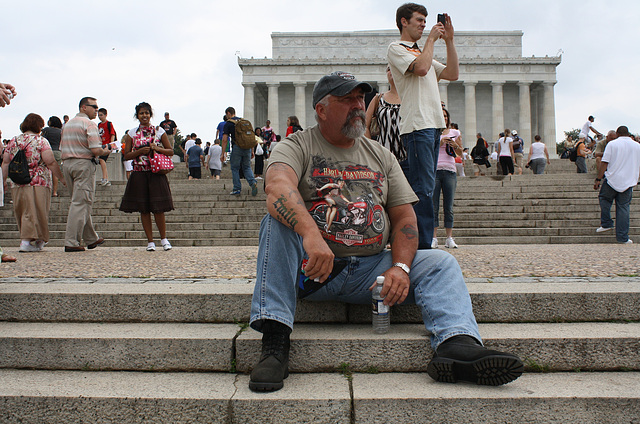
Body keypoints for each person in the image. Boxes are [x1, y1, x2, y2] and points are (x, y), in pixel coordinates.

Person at [247, 70, 523, 393]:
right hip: (313, 270)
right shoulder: (297, 145)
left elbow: (405, 218)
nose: (358, 106)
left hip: (371, 272)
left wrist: (402, 267)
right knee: (275, 224)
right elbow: (277, 188)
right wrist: (310, 233)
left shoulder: (380, 155)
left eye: (360, 98)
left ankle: (456, 345)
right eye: (347, 99)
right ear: (321, 110)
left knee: (442, 263)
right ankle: (275, 340)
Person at [387, 3, 459, 249]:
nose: (423, 24)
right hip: (417, 125)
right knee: (422, 189)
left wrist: (449, 41)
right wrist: (430, 41)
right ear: (403, 22)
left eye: (425, 21)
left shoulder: (423, 51)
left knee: (426, 187)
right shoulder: (397, 49)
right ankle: (421, 245)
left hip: (433, 125)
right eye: (418, 20)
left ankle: (422, 243)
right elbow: (421, 68)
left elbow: (452, 73)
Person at [2, 113, 65, 252]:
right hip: (39, 181)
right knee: (39, 211)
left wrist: (3, 181)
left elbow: (6, 162)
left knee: (23, 210)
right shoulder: (41, 141)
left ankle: (27, 239)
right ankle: (34, 240)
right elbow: (50, 161)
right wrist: (61, 178)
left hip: (18, 181)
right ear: (39, 126)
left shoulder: (13, 141)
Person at [119, 102, 174, 251]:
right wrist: (139, 152)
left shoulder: (159, 131)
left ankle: (164, 239)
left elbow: (170, 151)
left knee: (159, 208)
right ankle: (150, 241)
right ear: (137, 115)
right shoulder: (131, 133)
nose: (144, 116)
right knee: (144, 209)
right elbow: (127, 155)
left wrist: (157, 149)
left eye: (147, 113)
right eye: (141, 113)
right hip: (139, 173)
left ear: (151, 114)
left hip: (156, 172)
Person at [60, 97, 110, 252]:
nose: (96, 109)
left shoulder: (67, 125)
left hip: (67, 164)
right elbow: (96, 150)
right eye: (94, 106)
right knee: (81, 203)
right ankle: (71, 242)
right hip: (83, 164)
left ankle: (91, 238)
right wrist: (106, 150)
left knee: (80, 202)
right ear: (83, 107)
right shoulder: (89, 124)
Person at [594, 126, 640, 244]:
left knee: (604, 198)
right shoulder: (637, 146)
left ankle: (606, 223)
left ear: (618, 134)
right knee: (623, 208)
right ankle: (622, 237)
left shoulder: (612, 144)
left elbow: (605, 162)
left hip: (612, 179)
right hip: (628, 181)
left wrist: (598, 179)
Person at [432, 108, 462, 249]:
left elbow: (460, 152)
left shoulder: (455, 133)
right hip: (435, 170)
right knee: (434, 206)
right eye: (441, 115)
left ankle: (449, 237)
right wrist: (440, 142)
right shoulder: (432, 132)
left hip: (450, 170)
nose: (443, 118)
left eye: (445, 116)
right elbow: (428, 149)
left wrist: (454, 145)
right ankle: (434, 237)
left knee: (448, 206)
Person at [364, 66, 404, 161]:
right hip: (384, 156)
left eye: (395, 68)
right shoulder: (378, 99)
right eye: (389, 69)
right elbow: (365, 125)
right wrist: (372, 148)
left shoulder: (410, 97)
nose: (392, 72)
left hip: (408, 156)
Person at [221, 107, 259, 196]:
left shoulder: (229, 123)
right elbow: (252, 137)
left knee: (235, 168)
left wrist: (223, 153)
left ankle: (237, 188)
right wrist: (252, 150)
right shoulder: (244, 121)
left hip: (237, 147)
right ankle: (252, 182)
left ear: (228, 113)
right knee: (247, 167)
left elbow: (224, 140)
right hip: (247, 148)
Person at [41, 116, 63, 197]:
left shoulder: (47, 130)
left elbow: (42, 138)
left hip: (47, 151)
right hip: (58, 152)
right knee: (55, 172)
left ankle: (46, 190)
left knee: (45, 171)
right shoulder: (61, 131)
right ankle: (54, 192)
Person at [97, 108, 116, 186]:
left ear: (105, 115)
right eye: (98, 115)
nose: (100, 117)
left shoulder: (109, 124)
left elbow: (112, 134)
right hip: (101, 145)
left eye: (101, 115)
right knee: (101, 161)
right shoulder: (99, 125)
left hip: (107, 145)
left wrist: (111, 145)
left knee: (101, 160)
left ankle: (105, 178)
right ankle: (106, 179)